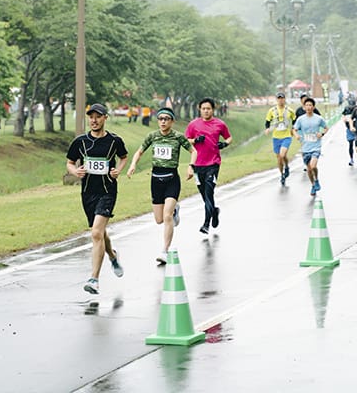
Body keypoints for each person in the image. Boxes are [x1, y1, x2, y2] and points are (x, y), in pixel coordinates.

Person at [66, 103, 128, 294]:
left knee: (95, 234)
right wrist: (76, 171)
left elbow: (123, 157)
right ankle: (112, 256)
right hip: (87, 193)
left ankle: (94, 279)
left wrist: (118, 170)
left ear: (105, 118)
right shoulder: (80, 142)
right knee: (99, 232)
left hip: (107, 191)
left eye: (98, 117)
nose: (94, 120)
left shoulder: (114, 141)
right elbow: (69, 163)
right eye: (91, 117)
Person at [127, 107, 197, 265]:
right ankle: (174, 212)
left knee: (166, 216)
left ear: (172, 121)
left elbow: (194, 151)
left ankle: (164, 250)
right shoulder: (152, 136)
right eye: (160, 119)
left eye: (166, 119)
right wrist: (132, 165)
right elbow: (139, 152)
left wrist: (191, 166)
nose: (163, 121)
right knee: (159, 219)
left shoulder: (178, 137)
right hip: (155, 179)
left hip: (172, 178)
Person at [185, 97, 232, 234]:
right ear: (200, 109)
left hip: (213, 163)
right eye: (203, 108)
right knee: (204, 195)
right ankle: (215, 211)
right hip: (198, 164)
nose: (206, 111)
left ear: (213, 109)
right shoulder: (193, 124)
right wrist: (195, 140)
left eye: (208, 109)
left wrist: (224, 144)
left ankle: (206, 224)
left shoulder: (219, 124)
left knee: (209, 192)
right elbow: (186, 140)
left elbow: (229, 137)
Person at [293, 97, 328, 196]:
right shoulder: (300, 119)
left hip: (316, 146)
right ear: (304, 107)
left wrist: (321, 134)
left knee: (313, 166)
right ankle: (313, 185)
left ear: (313, 107)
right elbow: (294, 129)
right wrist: (297, 136)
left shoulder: (318, 118)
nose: (308, 107)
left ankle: (316, 179)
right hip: (305, 147)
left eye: (310, 105)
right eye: (306, 105)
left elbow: (326, 128)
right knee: (308, 169)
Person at [264, 92, 296, 185]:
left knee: (282, 155)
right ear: (276, 100)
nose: (280, 100)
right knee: (279, 157)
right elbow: (267, 121)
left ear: (284, 99)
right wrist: (267, 129)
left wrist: (293, 129)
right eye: (279, 98)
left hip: (286, 136)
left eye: (282, 98)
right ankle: (282, 173)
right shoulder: (272, 110)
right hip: (276, 137)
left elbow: (294, 120)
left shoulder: (289, 110)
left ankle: (286, 166)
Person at [341, 97, 356, 166]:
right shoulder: (346, 108)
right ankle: (351, 159)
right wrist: (344, 119)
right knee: (350, 144)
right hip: (349, 129)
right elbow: (343, 115)